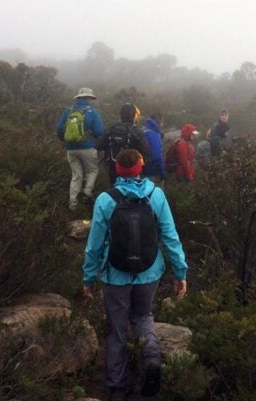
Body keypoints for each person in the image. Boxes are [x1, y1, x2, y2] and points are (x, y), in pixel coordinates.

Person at [82, 148, 188, 400]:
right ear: (140, 167)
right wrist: (180, 271)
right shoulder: (156, 195)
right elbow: (170, 237)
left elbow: (94, 245)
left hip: (114, 276)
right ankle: (151, 359)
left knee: (116, 329)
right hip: (149, 272)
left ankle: (117, 388)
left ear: (117, 169)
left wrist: (88, 277)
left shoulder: (106, 200)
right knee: (143, 317)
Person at [56, 87, 105, 211]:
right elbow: (99, 131)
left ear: (78, 98)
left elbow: (59, 128)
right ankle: (87, 193)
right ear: (88, 98)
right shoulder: (93, 112)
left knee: (76, 175)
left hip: (70, 149)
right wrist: (96, 142)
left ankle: (72, 203)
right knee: (92, 170)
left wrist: (65, 140)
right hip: (88, 147)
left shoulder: (68, 111)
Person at [96, 103, 150, 185]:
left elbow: (99, 145)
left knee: (114, 191)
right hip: (132, 170)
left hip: (113, 168)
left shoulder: (111, 128)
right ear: (134, 116)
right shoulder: (137, 132)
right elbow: (147, 152)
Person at [141, 113, 165, 186]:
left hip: (141, 171)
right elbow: (157, 156)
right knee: (157, 195)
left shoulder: (142, 130)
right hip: (153, 173)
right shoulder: (153, 134)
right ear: (159, 121)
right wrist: (162, 173)